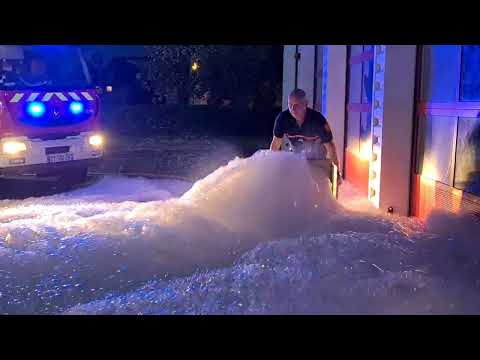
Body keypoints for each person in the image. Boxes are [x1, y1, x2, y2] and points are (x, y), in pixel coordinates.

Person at [270, 88, 342, 184]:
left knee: (319, 182)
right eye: (290, 105)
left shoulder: (318, 121)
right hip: (298, 158)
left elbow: (330, 147)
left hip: (318, 159)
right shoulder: (283, 120)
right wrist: (270, 168)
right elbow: (275, 144)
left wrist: (336, 172)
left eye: (297, 105)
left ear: (306, 104)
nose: (293, 109)